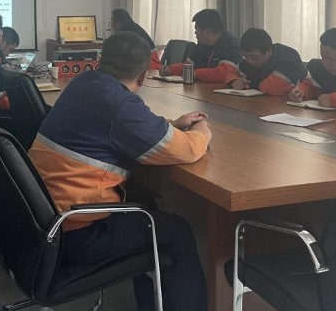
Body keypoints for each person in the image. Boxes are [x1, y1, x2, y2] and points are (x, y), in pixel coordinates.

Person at [30, 32, 211, 311]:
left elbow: (121, 125)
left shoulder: (84, 83)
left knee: (146, 206)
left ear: (101, 61)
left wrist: (169, 125)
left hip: (43, 218)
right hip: (77, 232)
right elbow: (186, 150)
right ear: (143, 76)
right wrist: (202, 132)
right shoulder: (120, 103)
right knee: (178, 232)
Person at [159, 8, 242, 82]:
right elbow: (188, 65)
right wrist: (170, 69)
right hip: (203, 90)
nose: (195, 33)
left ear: (207, 31)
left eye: (197, 30)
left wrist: (196, 73)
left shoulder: (230, 45)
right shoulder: (201, 45)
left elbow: (223, 74)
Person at [225, 28, 307, 95]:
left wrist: (249, 84)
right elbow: (232, 71)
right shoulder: (249, 59)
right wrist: (234, 81)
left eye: (253, 57)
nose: (249, 61)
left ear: (269, 51)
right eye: (245, 56)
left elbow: (272, 87)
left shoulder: (288, 57)